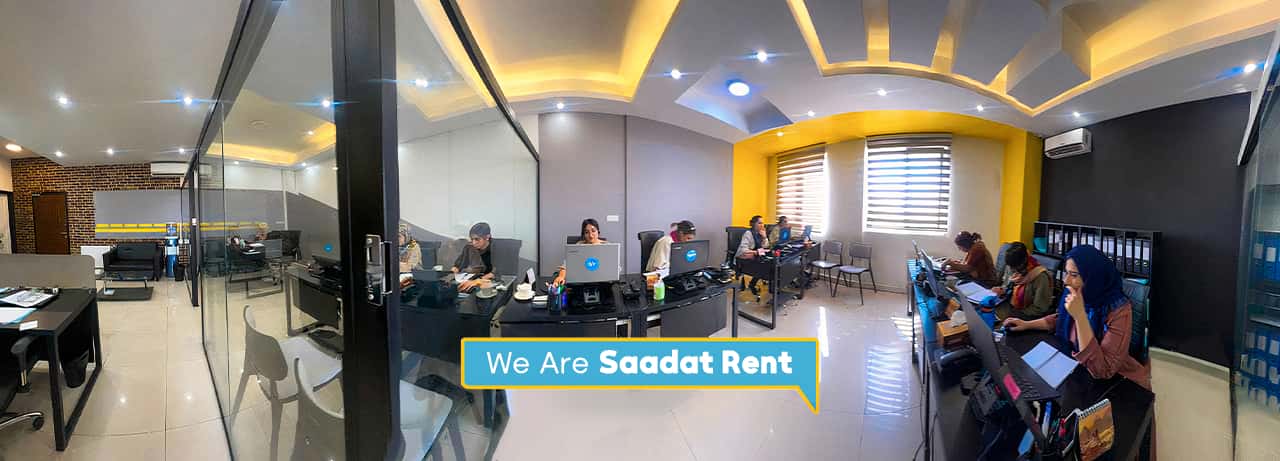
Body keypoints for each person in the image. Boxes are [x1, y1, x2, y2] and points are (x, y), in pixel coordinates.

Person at [1002, 245, 1151, 390]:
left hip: (1117, 383)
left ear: (1092, 277)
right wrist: (1026, 324)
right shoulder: (1076, 292)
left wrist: (1080, 316)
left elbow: (1103, 370)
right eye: (1066, 273)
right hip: (1075, 367)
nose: (1066, 281)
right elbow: (1060, 319)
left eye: (1074, 275)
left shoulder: (1118, 309)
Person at [990, 242, 1054, 320]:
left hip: (1027, 314)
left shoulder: (1041, 277)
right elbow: (1007, 285)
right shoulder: (1011, 266)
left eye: (1015, 268)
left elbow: (1040, 308)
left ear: (1023, 262)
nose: (1012, 271)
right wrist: (1002, 290)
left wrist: (1016, 314)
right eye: (1010, 267)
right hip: (1009, 305)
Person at [553, 218, 608, 285]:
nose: (590, 235)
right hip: (581, 281)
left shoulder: (607, 246)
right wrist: (561, 277)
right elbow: (566, 265)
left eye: (593, 231)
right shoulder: (579, 245)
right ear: (583, 235)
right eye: (587, 232)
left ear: (598, 232)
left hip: (601, 281)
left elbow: (613, 267)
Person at [452, 222, 495, 292]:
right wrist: (453, 272)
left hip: (489, 284)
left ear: (487, 237)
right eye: (472, 239)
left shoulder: (496, 248)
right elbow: (457, 265)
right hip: (470, 280)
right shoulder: (469, 247)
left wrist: (477, 281)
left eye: (477, 239)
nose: (474, 243)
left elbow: (496, 273)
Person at [737, 216, 771, 296]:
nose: (762, 225)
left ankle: (753, 283)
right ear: (753, 224)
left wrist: (764, 237)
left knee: (768, 262)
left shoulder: (760, 233)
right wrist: (756, 252)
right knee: (765, 265)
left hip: (755, 257)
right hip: (744, 258)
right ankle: (752, 284)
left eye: (762, 223)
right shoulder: (748, 234)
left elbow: (766, 246)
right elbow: (743, 250)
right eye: (759, 223)